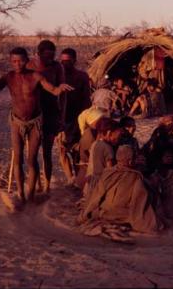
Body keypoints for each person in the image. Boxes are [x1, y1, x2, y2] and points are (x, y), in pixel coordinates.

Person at [0, 47, 73, 204]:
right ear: (10, 62)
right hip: (16, 122)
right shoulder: (8, 77)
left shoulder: (36, 76)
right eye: (14, 61)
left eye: (21, 61)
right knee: (17, 159)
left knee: (32, 160)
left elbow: (53, 90)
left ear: (27, 61)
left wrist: (60, 88)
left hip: (35, 122)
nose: (18, 64)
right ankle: (21, 194)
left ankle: (30, 196)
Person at [78, 145, 164, 234]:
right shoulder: (135, 177)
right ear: (130, 161)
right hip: (120, 214)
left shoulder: (107, 173)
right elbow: (138, 202)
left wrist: (85, 214)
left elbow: (96, 196)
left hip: (104, 211)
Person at [26, 40, 65, 193]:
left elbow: (62, 93)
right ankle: (36, 184)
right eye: (46, 57)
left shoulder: (57, 67)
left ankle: (47, 185)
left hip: (51, 112)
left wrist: (61, 115)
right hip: (33, 113)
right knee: (32, 153)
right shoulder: (29, 66)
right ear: (38, 54)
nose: (50, 60)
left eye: (52, 56)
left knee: (47, 152)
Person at [56, 48, 91, 185]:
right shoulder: (57, 77)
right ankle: (70, 178)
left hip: (77, 120)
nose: (64, 64)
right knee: (62, 150)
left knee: (77, 151)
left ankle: (78, 178)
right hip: (61, 121)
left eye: (68, 61)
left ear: (74, 61)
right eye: (62, 61)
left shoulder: (82, 76)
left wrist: (85, 121)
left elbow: (87, 100)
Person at [83, 118, 123, 199]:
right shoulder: (108, 148)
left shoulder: (95, 144)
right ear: (109, 133)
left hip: (92, 183)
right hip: (102, 184)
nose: (118, 139)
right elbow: (110, 170)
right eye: (117, 136)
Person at [147, 149, 173, 222]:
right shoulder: (156, 171)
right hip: (161, 203)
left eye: (171, 157)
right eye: (167, 156)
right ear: (162, 158)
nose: (169, 158)